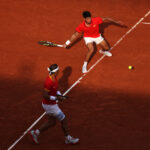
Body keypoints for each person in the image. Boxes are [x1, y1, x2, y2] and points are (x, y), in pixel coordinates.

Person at [29, 64, 79, 144]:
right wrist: (56, 98)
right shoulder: (48, 82)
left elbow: (55, 89)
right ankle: (68, 138)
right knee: (64, 120)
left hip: (50, 104)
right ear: (55, 72)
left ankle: (35, 133)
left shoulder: (54, 78)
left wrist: (60, 95)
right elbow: (45, 95)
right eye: (58, 70)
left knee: (52, 122)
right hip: (50, 106)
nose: (59, 71)